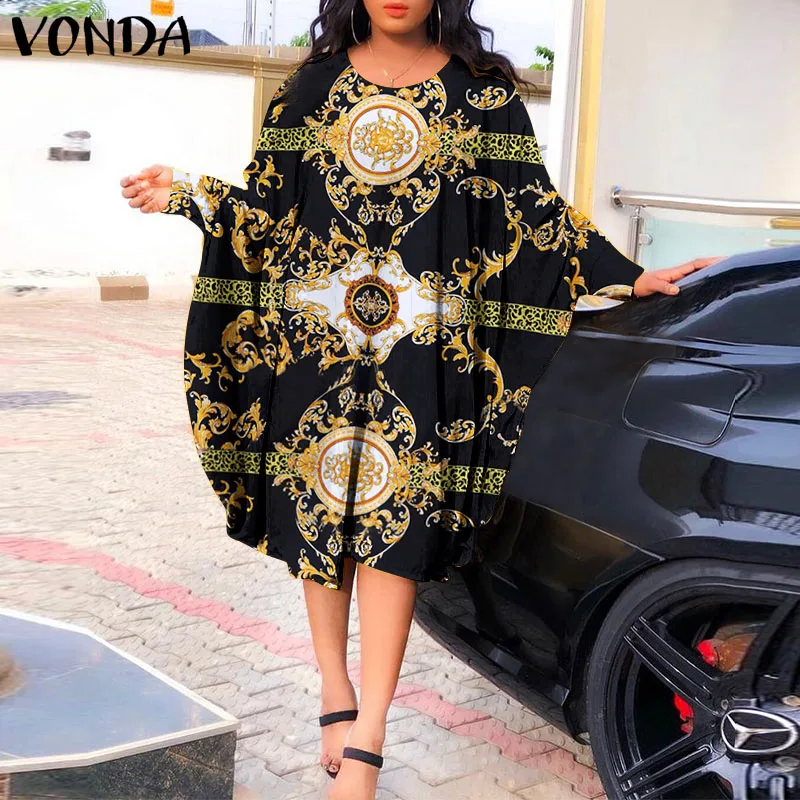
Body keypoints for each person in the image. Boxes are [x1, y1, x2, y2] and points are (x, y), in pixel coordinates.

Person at [120, 1, 715, 797]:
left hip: (424, 353)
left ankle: (370, 731)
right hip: (317, 340)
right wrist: (191, 194)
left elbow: (533, 213)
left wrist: (628, 274)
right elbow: (267, 212)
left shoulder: (482, 94)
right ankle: (334, 688)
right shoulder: (311, 86)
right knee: (321, 508)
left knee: (396, 520)